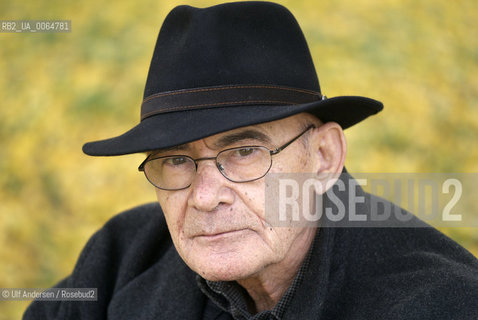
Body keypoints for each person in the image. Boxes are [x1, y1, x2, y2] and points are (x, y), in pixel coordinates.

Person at [24, 2, 478, 319]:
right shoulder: (123, 255)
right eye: (177, 161)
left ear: (323, 157)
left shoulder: (443, 302)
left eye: (243, 152)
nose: (204, 198)